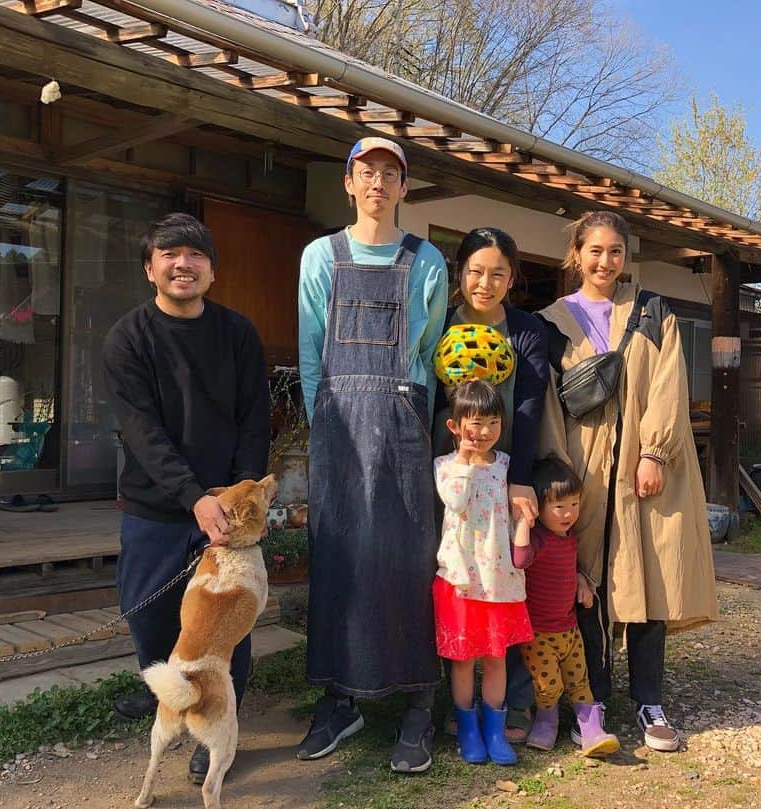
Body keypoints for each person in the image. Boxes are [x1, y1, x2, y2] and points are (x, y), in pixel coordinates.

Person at [536, 210, 718, 752]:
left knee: (648, 579)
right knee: (583, 583)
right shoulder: (549, 322)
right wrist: (555, 471)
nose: (605, 261)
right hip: (580, 473)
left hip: (642, 469)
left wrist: (656, 452)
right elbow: (547, 401)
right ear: (577, 254)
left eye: (616, 251)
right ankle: (589, 701)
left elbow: (667, 385)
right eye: (595, 250)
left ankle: (648, 699)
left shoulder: (650, 311)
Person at [297, 137, 449, 773]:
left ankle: (419, 701)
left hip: (403, 428)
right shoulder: (320, 255)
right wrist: (325, 423)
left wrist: (412, 421)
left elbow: (432, 358)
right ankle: (341, 696)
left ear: (404, 188)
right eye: (367, 173)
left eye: (391, 174)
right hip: (337, 427)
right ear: (349, 182)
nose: (378, 184)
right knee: (340, 559)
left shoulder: (429, 261)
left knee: (409, 556)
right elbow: (310, 349)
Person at [103, 212, 271, 783]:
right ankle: (173, 703)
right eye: (170, 255)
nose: (183, 264)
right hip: (155, 506)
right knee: (149, 614)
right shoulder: (129, 337)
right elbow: (141, 430)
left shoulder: (238, 334)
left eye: (195, 254)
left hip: (227, 513)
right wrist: (193, 496)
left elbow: (255, 421)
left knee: (226, 622)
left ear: (212, 270)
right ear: (151, 269)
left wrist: (237, 499)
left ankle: (217, 728)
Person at [433, 226, 549, 743]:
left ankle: (513, 704)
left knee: (506, 586)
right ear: (460, 274)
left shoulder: (526, 330)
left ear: (512, 278)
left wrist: (519, 477)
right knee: (455, 582)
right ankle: (451, 705)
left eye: (498, 273)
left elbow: (528, 406)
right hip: (452, 476)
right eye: (476, 271)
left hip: (503, 475)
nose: (486, 282)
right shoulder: (438, 322)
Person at [434, 380, 533, 765]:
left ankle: (495, 731)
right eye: (474, 424)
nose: (484, 432)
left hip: (499, 581)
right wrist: (466, 460)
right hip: (460, 580)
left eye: (493, 423)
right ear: (455, 426)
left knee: (496, 659)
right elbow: (457, 501)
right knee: (463, 659)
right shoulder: (445, 467)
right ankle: (468, 730)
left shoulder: (508, 466)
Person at [515, 456, 619, 756]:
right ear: (540, 507)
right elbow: (520, 560)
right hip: (539, 634)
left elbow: (569, 568)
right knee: (548, 685)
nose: (569, 513)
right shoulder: (538, 538)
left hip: (569, 628)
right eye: (559, 507)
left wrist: (581, 583)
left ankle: (591, 730)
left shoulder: (569, 538)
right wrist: (524, 520)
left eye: (574, 504)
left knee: (579, 680)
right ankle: (546, 722)